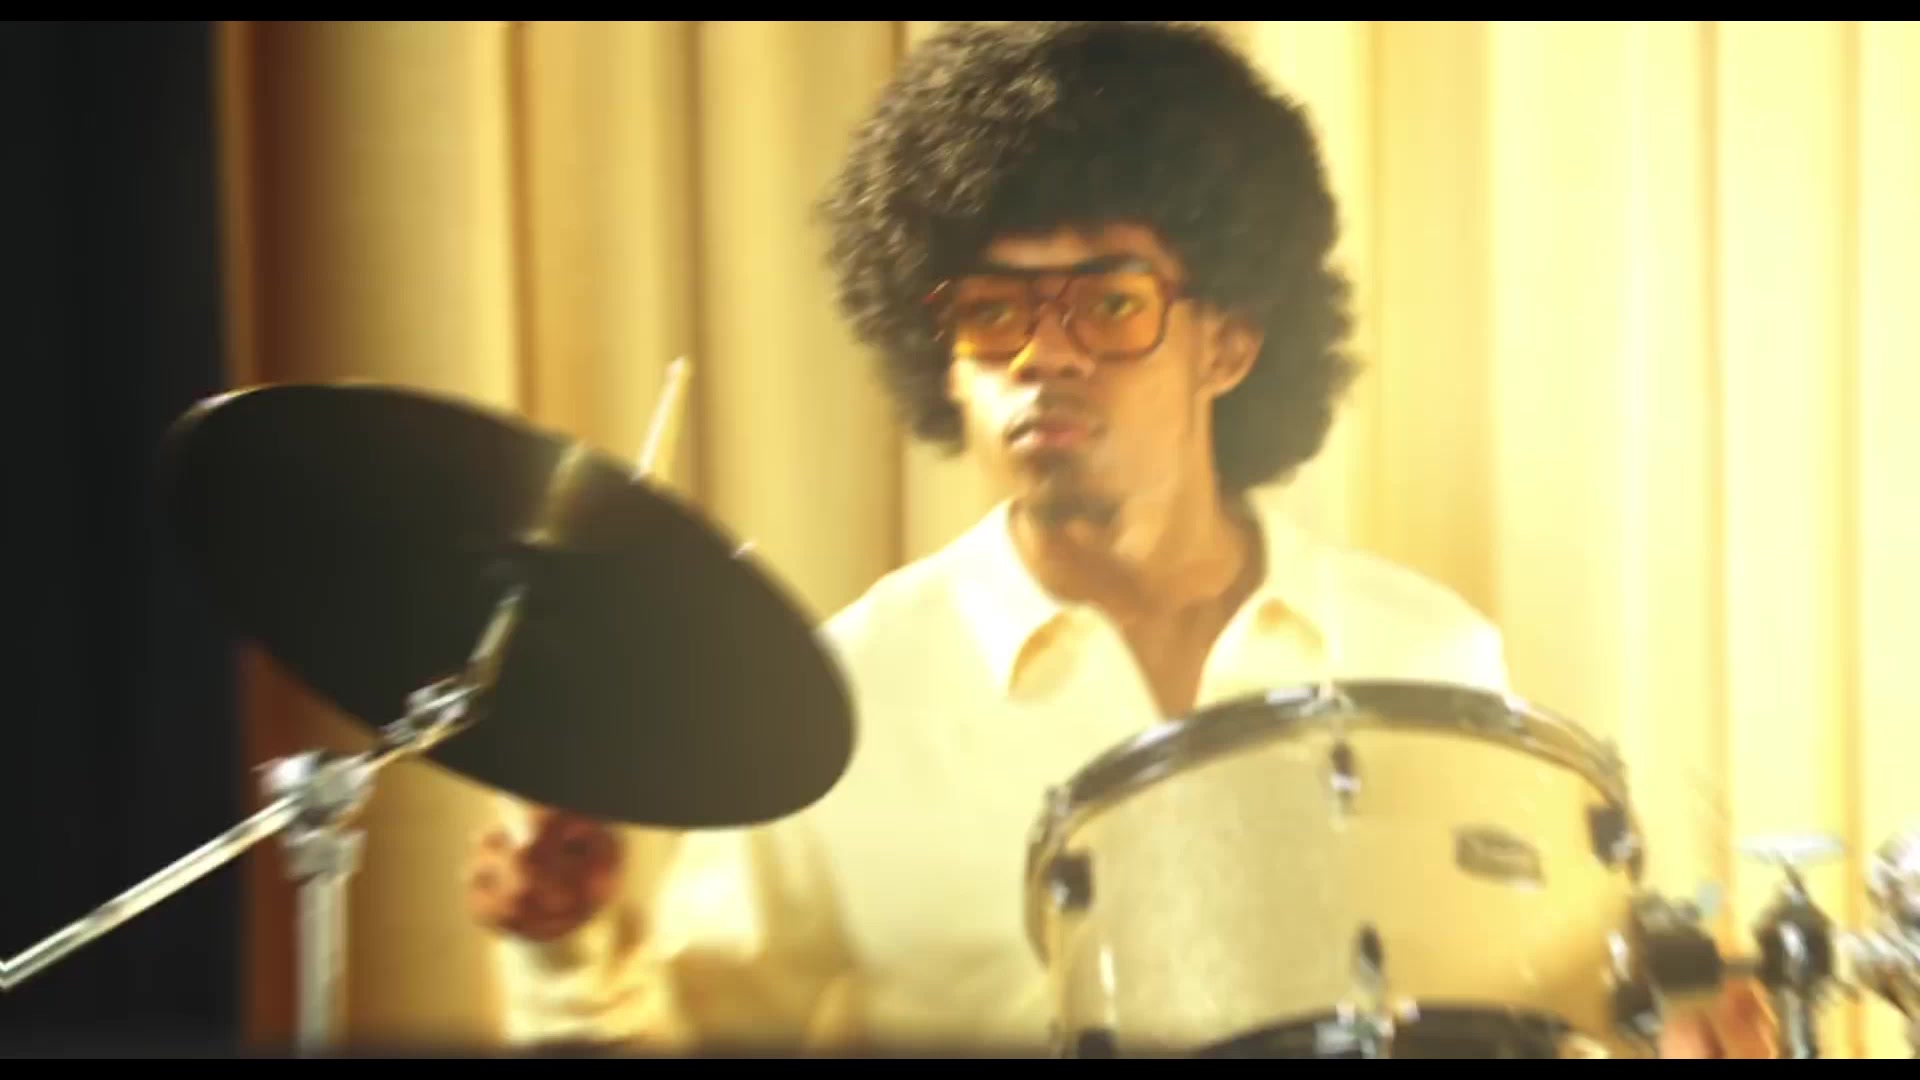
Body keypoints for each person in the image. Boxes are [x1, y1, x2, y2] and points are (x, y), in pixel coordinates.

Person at [466, 21, 1772, 1059]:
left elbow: (1543, 1015)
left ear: (1227, 342)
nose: (1045, 355)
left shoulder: (1428, 655)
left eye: (1109, 303)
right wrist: (563, 944)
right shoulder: (833, 702)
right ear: (943, 360)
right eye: (993, 313)